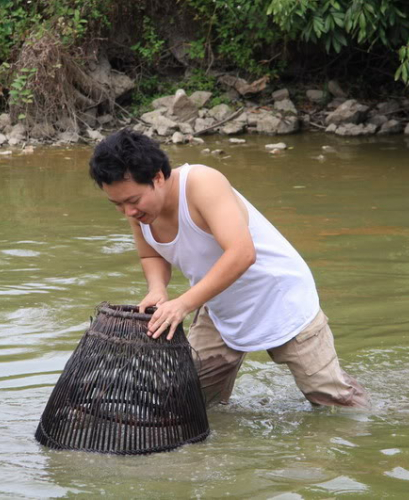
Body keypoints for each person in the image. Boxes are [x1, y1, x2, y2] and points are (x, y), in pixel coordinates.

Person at [88, 128, 369, 409]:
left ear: (158, 177)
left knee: (333, 400)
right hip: (219, 302)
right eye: (118, 204)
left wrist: (183, 304)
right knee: (190, 399)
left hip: (279, 296)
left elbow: (242, 253)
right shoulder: (140, 211)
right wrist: (158, 289)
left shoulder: (201, 184)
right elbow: (151, 255)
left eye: (133, 201)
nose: (128, 212)